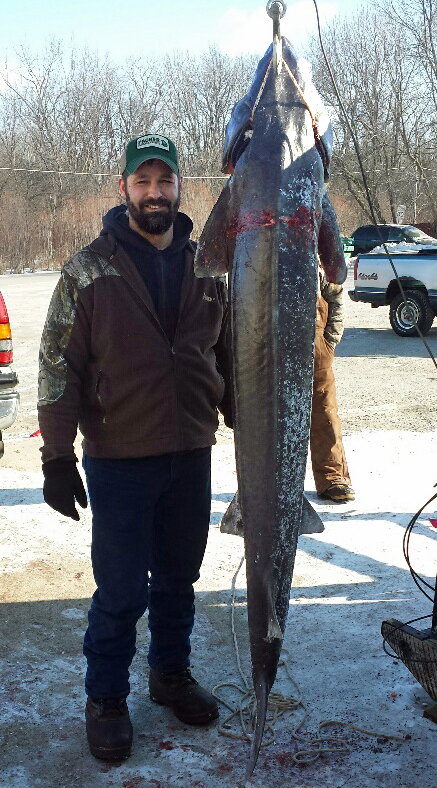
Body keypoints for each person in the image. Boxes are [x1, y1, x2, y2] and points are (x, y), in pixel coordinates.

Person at [38, 133, 230, 762]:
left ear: (179, 188)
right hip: (119, 456)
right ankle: (107, 699)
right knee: (120, 588)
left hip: (190, 450)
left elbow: (226, 355)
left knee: (179, 578)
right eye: (142, 181)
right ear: (123, 189)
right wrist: (58, 459)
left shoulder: (209, 264)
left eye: (165, 180)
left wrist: (245, 419)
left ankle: (170, 674)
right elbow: (56, 367)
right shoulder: (88, 269)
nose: (155, 192)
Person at [310, 268, 355, 503]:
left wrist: (330, 340)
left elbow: (335, 296)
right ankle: (273, 483)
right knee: (272, 419)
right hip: (273, 346)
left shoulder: (316, 259)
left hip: (316, 347)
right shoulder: (264, 250)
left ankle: (332, 478)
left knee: (324, 414)